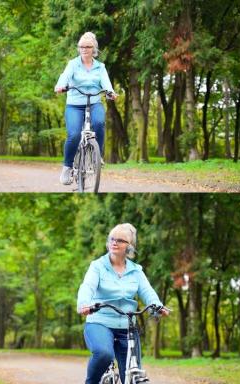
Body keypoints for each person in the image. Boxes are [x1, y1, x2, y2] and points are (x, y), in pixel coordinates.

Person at [77, 223, 169, 384]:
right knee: (104, 354)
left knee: (132, 371)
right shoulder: (97, 266)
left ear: (130, 247)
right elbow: (88, 286)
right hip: (100, 321)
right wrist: (84, 303)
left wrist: (157, 306)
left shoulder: (136, 270)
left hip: (127, 326)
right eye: (112, 239)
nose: (114, 242)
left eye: (120, 240)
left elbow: (147, 291)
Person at [55, 32, 117, 185]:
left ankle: (97, 156)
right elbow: (65, 76)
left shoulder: (100, 67)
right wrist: (60, 86)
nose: (84, 49)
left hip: (94, 102)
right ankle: (67, 167)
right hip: (74, 104)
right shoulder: (73, 64)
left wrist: (110, 92)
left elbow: (106, 83)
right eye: (81, 46)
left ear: (93, 48)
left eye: (87, 46)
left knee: (99, 123)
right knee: (74, 134)